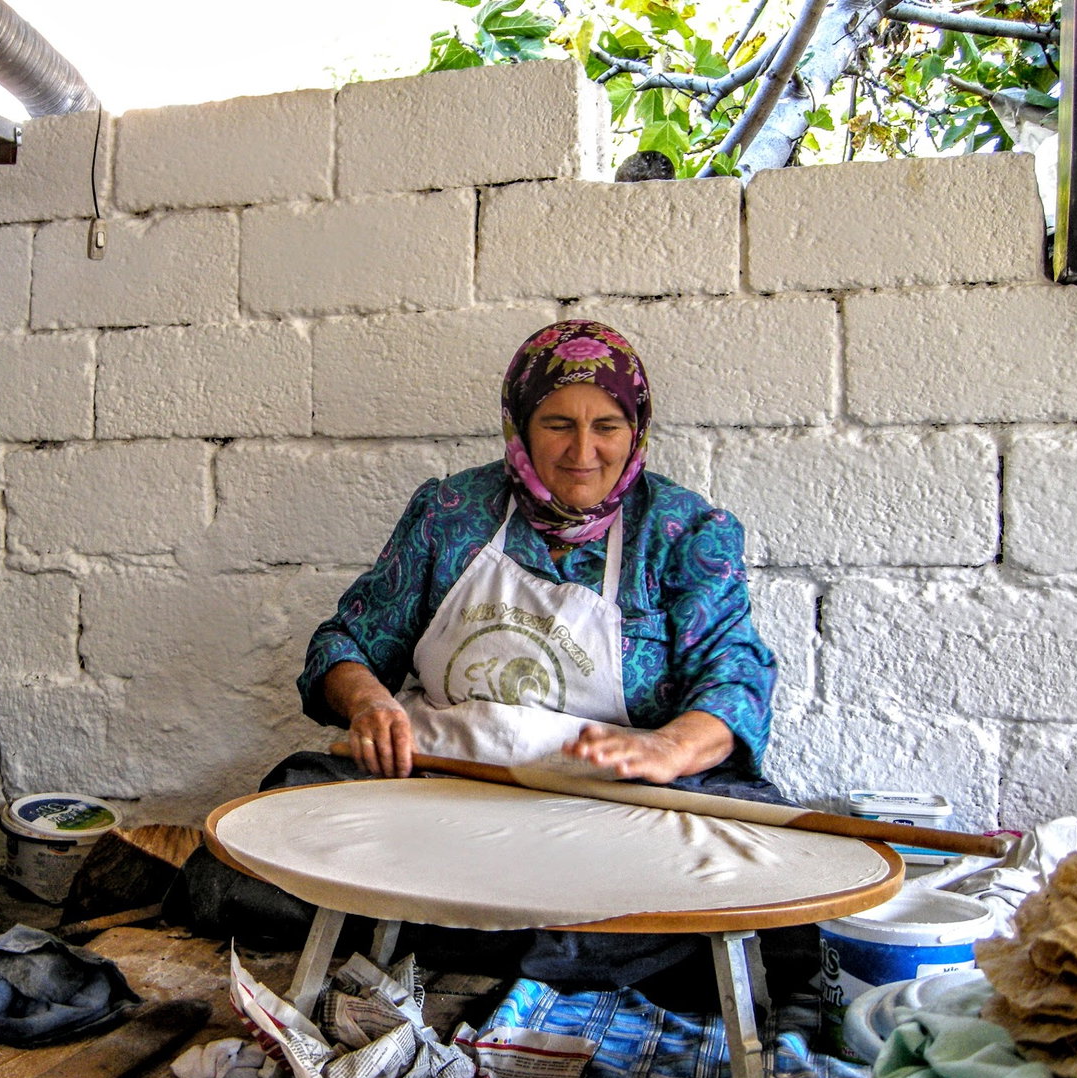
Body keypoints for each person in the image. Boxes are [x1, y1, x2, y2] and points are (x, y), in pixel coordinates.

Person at [261, 318, 790, 995]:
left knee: (764, 863)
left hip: (609, 810)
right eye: (557, 424)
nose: (583, 451)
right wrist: (367, 703)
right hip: (445, 789)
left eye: (607, 426)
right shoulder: (451, 514)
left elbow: (736, 678)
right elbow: (346, 643)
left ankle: (438, 925)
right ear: (520, 425)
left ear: (636, 430)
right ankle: (554, 941)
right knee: (288, 804)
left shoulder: (682, 532)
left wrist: (669, 749)